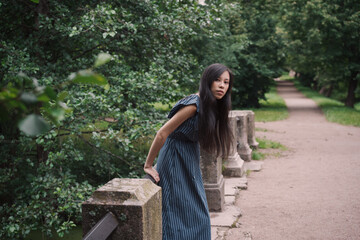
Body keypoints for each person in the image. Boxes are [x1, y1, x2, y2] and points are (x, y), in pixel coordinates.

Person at [144, 63, 234, 240]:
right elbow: (162, 133)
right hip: (173, 157)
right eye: (217, 80)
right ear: (207, 81)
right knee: (175, 211)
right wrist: (148, 165)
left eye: (226, 82)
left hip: (189, 157)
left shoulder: (212, 106)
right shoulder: (194, 104)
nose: (222, 85)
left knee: (198, 212)